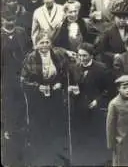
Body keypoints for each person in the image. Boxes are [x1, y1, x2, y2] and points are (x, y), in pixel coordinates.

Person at [21, 31, 73, 166]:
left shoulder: (58, 55)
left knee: (56, 123)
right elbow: (23, 80)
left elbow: (65, 73)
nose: (44, 45)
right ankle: (42, 156)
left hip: (55, 95)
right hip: (38, 97)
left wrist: (60, 83)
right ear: (36, 44)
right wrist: (38, 87)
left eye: (47, 42)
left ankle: (58, 156)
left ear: (51, 43)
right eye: (41, 42)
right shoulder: (31, 58)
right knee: (41, 125)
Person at [68, 42, 110, 165]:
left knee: (96, 136)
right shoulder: (73, 67)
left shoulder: (101, 68)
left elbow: (108, 89)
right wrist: (71, 90)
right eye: (79, 55)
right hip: (79, 107)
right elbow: (69, 85)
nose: (81, 58)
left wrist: (97, 100)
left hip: (95, 108)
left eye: (85, 56)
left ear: (91, 55)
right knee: (81, 136)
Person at [1, 12, 29, 166]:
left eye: (12, 19)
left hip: (21, 75)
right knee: (8, 104)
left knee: (22, 103)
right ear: (2, 19)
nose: (9, 22)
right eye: (7, 19)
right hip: (5, 77)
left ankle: (22, 133)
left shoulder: (21, 32)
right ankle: (8, 131)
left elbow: (26, 52)